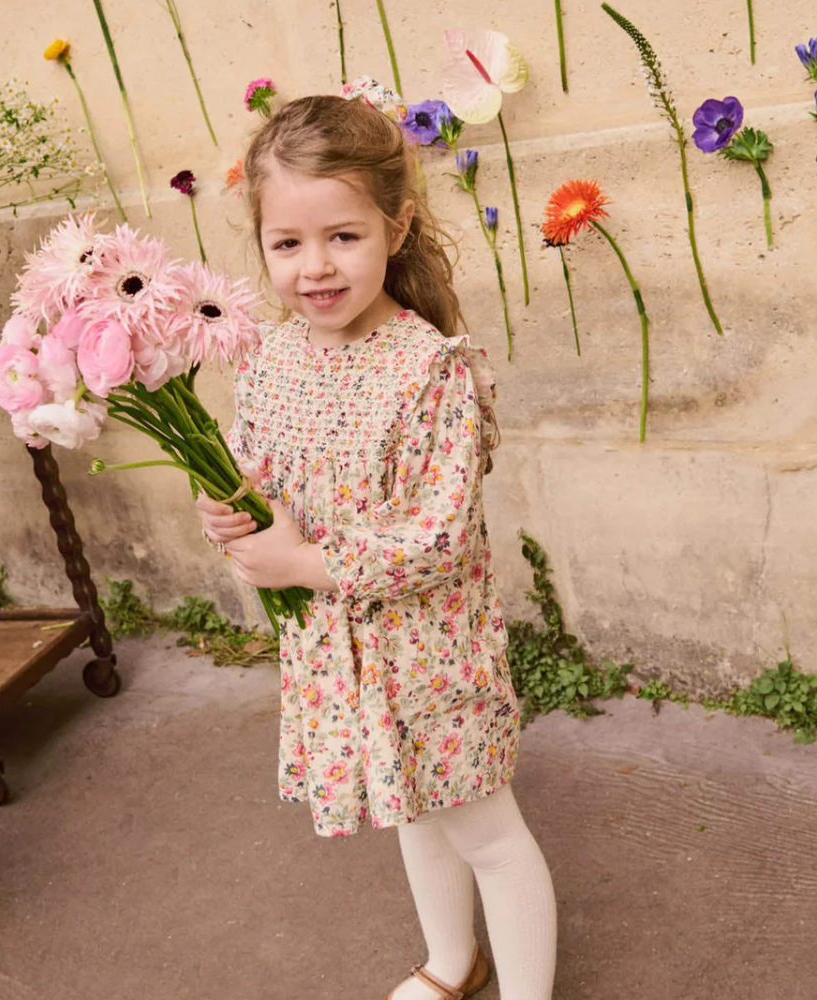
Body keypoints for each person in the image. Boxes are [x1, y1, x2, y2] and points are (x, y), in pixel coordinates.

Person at [196, 95, 557, 1000]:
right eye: (288, 244)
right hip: (340, 654)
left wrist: (303, 566)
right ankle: (450, 963)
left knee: (487, 834)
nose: (315, 267)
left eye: (344, 237)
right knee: (412, 808)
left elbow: (433, 540)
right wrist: (230, 514)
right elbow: (259, 477)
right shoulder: (271, 361)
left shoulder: (428, 369)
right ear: (264, 243)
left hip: (432, 657)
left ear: (395, 228)